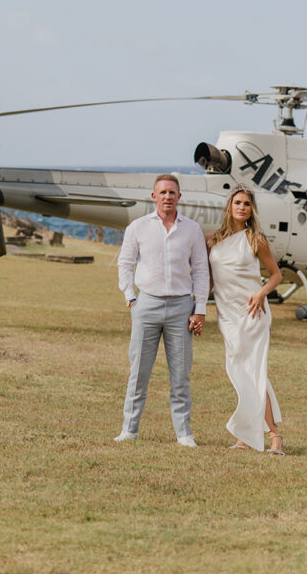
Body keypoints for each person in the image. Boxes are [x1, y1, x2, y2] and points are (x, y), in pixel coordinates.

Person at [115, 173, 209, 447]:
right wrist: (131, 298)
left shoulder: (192, 229)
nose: (168, 196)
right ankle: (129, 429)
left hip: (182, 307)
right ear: (153, 196)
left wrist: (200, 308)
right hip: (147, 305)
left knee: (180, 374)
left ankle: (183, 433)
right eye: (163, 192)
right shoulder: (138, 227)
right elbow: (125, 263)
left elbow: (201, 270)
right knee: (139, 372)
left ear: (179, 197)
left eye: (172, 192)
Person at [207, 185, 285, 454]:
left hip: (252, 314)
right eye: (238, 202)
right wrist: (194, 307)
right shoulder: (213, 240)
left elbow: (276, 275)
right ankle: (247, 433)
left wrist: (262, 292)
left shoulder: (256, 239)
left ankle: (273, 436)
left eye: (247, 204)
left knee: (253, 373)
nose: (242, 207)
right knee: (241, 374)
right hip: (227, 316)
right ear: (230, 206)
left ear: (252, 210)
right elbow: (206, 280)